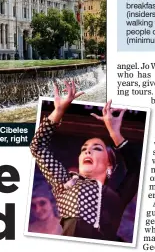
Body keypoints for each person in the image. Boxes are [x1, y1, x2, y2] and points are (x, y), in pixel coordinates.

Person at [30, 81, 140, 241]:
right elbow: (37, 147)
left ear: (109, 165)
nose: (87, 150)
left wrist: (114, 132)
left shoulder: (117, 197)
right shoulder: (64, 182)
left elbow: (136, 170)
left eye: (97, 148)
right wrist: (58, 111)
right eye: (84, 149)